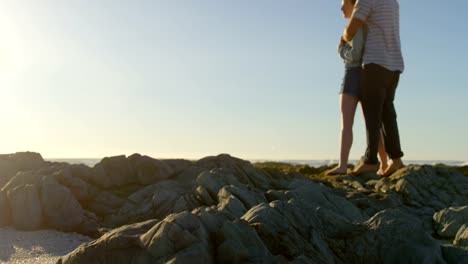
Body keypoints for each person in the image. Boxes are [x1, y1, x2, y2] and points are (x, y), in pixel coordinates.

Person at [340, 0, 405, 176]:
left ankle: (370, 161)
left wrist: (343, 38)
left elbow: (351, 30)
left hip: (375, 62)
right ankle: (396, 159)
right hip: (394, 63)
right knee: (387, 113)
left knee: (372, 115)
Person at [327, 0, 388, 176]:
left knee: (347, 124)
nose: (341, 8)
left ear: (353, 5)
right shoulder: (368, 25)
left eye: (343, 4)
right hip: (366, 74)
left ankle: (343, 165)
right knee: (372, 123)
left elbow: (354, 54)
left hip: (353, 74)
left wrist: (341, 48)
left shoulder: (356, 25)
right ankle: (383, 164)